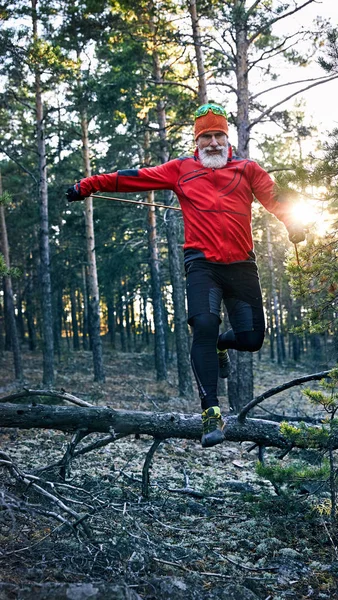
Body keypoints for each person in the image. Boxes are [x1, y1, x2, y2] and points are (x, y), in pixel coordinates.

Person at [66, 103, 305, 448]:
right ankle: (211, 411)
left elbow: (275, 198)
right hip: (202, 264)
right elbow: (134, 177)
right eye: (205, 136)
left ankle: (224, 345)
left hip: (241, 266)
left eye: (217, 135)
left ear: (227, 138)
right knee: (204, 325)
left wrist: (293, 223)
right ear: (197, 140)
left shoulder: (248, 169)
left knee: (251, 340)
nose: (212, 142)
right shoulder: (181, 169)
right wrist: (87, 185)